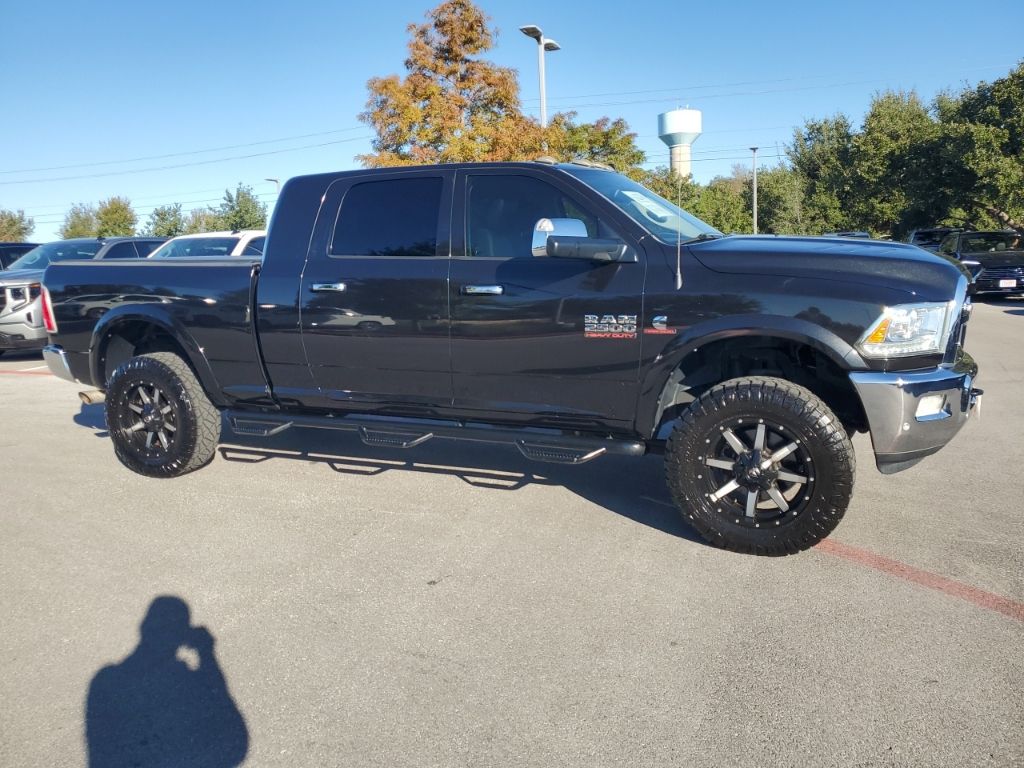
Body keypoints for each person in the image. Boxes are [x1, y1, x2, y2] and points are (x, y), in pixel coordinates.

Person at [86, 596, 248, 767]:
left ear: (143, 627)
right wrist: (207, 653)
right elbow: (235, 741)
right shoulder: (106, 680)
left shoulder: (105, 679)